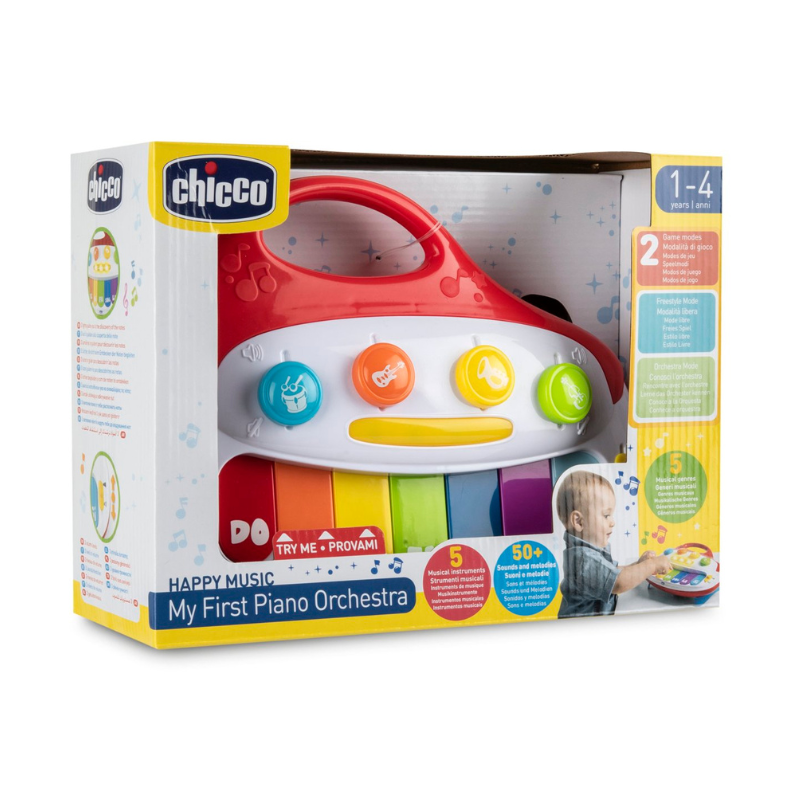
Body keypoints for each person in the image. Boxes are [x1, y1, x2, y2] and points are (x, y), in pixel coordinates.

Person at [556, 470, 671, 618]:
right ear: (579, 521)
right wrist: (651, 566)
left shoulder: (589, 551)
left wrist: (638, 565)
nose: (612, 522)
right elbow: (618, 582)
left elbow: (613, 572)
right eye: (606, 515)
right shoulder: (583, 560)